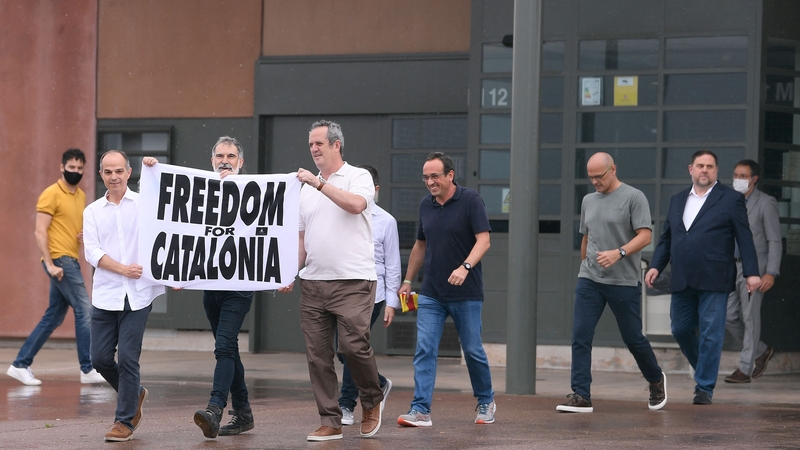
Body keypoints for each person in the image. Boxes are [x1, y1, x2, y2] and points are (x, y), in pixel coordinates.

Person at [143, 136, 256, 439]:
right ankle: (244, 412)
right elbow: (183, 228)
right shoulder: (201, 193)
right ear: (211, 160)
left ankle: (215, 409)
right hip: (210, 285)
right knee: (228, 348)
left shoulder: (255, 192)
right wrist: (154, 171)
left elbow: (270, 232)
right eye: (219, 155)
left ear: (241, 162)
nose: (225, 161)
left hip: (240, 285)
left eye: (231, 156)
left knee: (224, 347)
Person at [279, 120, 384, 442]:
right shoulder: (304, 191)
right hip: (313, 283)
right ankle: (330, 420)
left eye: (319, 143)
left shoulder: (357, 176)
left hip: (353, 281)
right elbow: (301, 239)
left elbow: (356, 205)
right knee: (318, 356)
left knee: (353, 347)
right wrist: (290, 272)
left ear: (336, 145)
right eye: (311, 144)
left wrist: (318, 184)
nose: (313, 149)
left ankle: (371, 400)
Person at [645, 150, 761, 405]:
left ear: (716, 171)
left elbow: (744, 237)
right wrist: (656, 266)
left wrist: (752, 273)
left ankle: (704, 388)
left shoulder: (731, 199)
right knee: (680, 328)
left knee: (711, 333)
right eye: (700, 166)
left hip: (715, 277)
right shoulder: (677, 200)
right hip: (682, 276)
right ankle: (704, 369)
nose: (704, 170)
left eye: (709, 166)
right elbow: (667, 238)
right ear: (691, 169)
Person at [557, 152, 666, 413]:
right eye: (591, 177)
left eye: (599, 176)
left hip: (623, 281)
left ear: (613, 169)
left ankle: (655, 379)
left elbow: (645, 236)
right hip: (590, 279)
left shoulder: (634, 197)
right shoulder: (588, 200)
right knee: (581, 335)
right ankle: (581, 394)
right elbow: (586, 237)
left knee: (633, 338)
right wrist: (585, 265)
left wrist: (619, 252)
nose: (595, 181)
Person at [397, 151, 496, 427]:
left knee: (472, 350)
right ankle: (420, 410)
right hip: (432, 293)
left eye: (435, 176)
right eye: (425, 177)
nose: (430, 182)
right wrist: (408, 280)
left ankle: (486, 401)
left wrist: (465, 267)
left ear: (450, 175)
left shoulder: (470, 200)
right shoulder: (425, 205)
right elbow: (420, 244)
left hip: (466, 293)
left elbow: (484, 240)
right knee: (425, 349)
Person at [83, 150, 165, 441]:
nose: (114, 177)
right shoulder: (92, 211)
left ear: (129, 172)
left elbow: (171, 216)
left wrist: (156, 170)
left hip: (139, 295)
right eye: (108, 172)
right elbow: (91, 252)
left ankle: (124, 421)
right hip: (106, 294)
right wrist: (123, 269)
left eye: (119, 171)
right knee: (100, 359)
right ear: (101, 175)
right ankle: (135, 393)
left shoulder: (146, 204)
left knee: (129, 358)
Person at [7, 148, 105, 386]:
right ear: (62, 167)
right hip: (60, 261)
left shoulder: (80, 196)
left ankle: (20, 365)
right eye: (71, 167)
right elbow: (40, 231)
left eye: (80, 168)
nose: (76, 172)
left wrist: (82, 236)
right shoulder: (50, 194)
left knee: (53, 317)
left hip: (70, 259)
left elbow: (69, 227)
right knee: (85, 309)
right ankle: (87, 368)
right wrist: (49, 264)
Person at [337, 164, 400, 426]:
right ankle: (378, 382)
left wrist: (392, 303)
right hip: (341, 291)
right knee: (343, 350)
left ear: (375, 189)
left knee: (352, 346)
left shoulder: (386, 221)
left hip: (372, 294)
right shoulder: (341, 214)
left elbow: (392, 264)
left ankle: (345, 405)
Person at [724, 160, 781, 383]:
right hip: (731, 267)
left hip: (754, 270)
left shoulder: (766, 203)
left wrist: (771, 272)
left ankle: (744, 369)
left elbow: (774, 240)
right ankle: (761, 350)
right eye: (736, 175)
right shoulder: (729, 201)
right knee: (728, 315)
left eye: (743, 176)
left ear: (754, 179)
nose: (738, 179)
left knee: (750, 317)